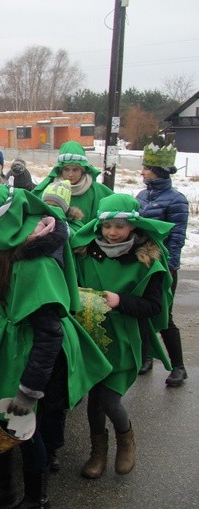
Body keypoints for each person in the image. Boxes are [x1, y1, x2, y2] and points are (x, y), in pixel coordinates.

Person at [0, 185, 111, 509]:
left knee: (26, 429)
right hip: (14, 345)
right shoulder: (8, 253)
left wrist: (28, 392)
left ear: (4, 227)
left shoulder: (35, 265)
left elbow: (49, 335)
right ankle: (3, 489)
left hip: (38, 358)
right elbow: (8, 306)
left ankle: (36, 498)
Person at [71, 194, 173, 479]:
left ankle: (126, 439)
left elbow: (153, 307)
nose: (112, 232)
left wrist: (120, 301)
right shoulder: (84, 254)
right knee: (94, 400)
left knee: (110, 401)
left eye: (119, 226)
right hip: (92, 337)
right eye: (106, 227)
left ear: (133, 227)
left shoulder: (146, 261)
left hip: (127, 341)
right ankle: (98, 452)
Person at [135, 142, 189, 387]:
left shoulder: (176, 200)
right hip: (142, 264)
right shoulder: (142, 196)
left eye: (146, 168)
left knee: (164, 315)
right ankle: (146, 357)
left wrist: (171, 265)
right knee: (142, 311)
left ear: (159, 170)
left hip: (163, 266)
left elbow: (177, 236)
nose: (142, 172)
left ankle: (178, 366)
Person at [33, 141, 113, 224]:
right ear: (60, 170)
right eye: (66, 169)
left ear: (83, 170)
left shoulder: (98, 192)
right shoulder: (47, 190)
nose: (70, 174)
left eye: (75, 170)